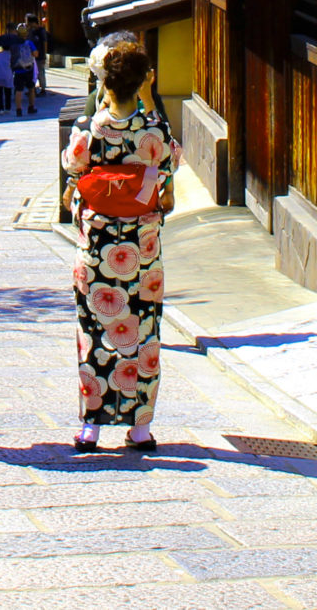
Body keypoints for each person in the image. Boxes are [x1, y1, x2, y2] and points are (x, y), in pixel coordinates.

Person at [60, 39, 180, 452]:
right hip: (141, 248)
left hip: (97, 246)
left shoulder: (88, 130)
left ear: (104, 85)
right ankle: (141, 427)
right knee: (143, 330)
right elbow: (168, 170)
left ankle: (91, 426)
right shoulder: (155, 129)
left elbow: (73, 175)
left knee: (95, 330)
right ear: (143, 81)